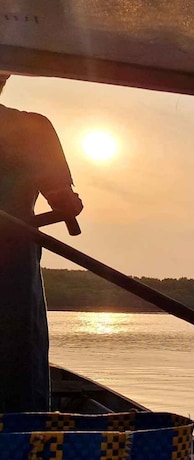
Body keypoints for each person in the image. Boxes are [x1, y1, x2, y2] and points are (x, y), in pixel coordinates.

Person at [0, 73, 84, 412]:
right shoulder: (32, 128)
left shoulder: (32, 129)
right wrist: (68, 202)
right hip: (14, 266)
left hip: (13, 267)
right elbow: (63, 200)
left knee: (16, 358)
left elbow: (62, 200)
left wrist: (67, 203)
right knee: (18, 363)